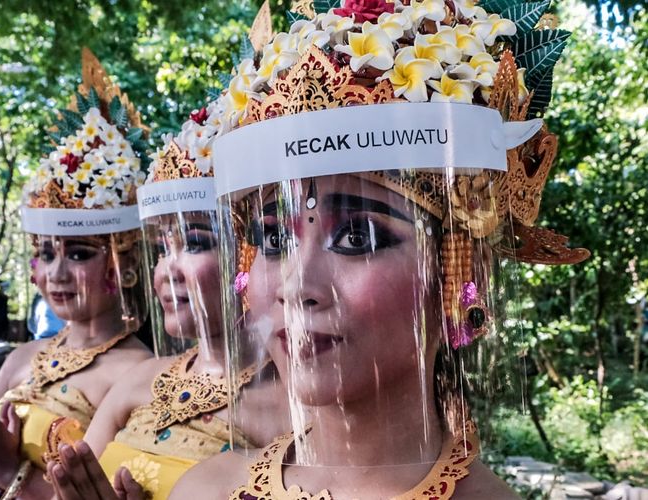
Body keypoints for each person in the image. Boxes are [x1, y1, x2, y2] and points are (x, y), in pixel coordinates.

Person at [170, 1, 590, 498]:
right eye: (274, 239)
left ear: (459, 269)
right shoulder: (203, 489)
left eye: (357, 238)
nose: (296, 286)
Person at [47, 96, 288, 500]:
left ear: (249, 254)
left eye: (194, 244)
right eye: (162, 249)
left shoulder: (292, 406)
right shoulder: (140, 379)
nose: (166, 270)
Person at [0, 47, 153, 499]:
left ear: (128, 267)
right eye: (44, 253)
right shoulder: (22, 358)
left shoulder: (139, 374)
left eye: (77, 254)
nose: (55, 273)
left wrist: (5, 468)